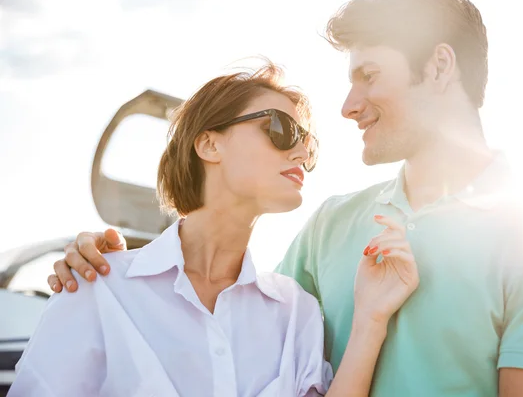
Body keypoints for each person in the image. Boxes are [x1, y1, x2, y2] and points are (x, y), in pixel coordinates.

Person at [48, 0, 523, 395]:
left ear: (439, 67)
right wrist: (103, 263)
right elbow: (222, 320)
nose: (348, 105)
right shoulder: (330, 226)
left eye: (368, 74)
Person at [9, 62, 420, 397]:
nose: (299, 151)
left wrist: (371, 319)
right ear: (209, 145)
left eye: (307, 147)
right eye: (282, 130)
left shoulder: (296, 311)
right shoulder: (96, 287)